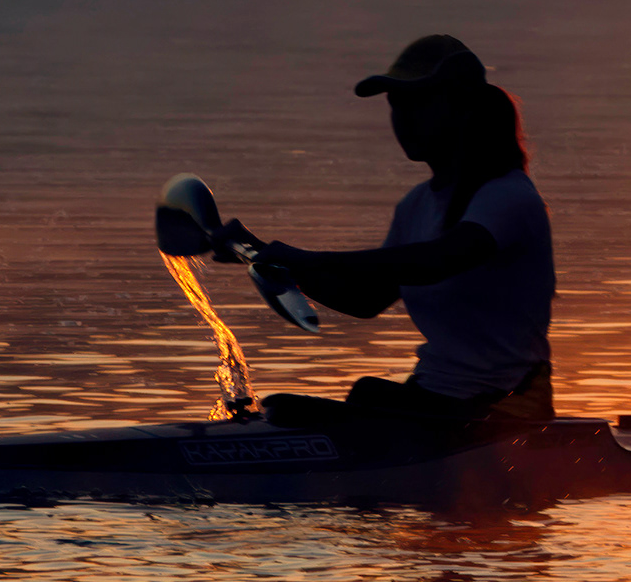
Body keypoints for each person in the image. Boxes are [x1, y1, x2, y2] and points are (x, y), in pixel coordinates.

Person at [232, 34, 559, 427]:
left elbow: (438, 261)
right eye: (396, 105)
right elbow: (365, 299)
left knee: (294, 412)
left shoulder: (508, 195)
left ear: (462, 109)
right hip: (434, 399)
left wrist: (308, 259)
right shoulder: (416, 204)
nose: (402, 119)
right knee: (348, 396)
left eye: (417, 103)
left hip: (503, 412)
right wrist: (255, 252)